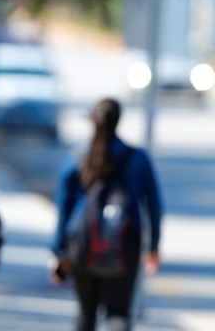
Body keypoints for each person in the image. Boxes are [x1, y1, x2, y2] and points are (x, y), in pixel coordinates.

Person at [51, 98, 163, 331]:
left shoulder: (77, 157)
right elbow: (154, 204)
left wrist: (59, 251)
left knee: (85, 313)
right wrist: (153, 247)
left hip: (82, 245)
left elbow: (64, 206)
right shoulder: (137, 158)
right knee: (118, 313)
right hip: (126, 245)